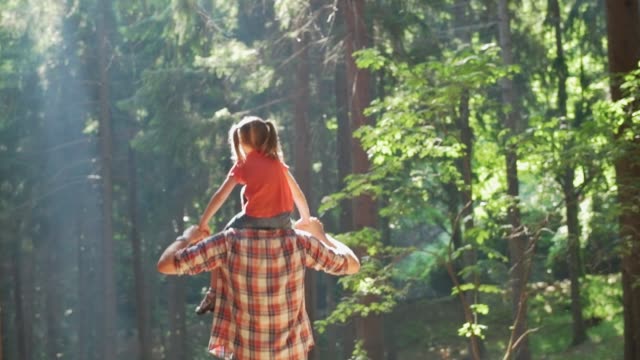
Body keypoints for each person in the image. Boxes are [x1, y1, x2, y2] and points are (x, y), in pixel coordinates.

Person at [157, 218, 360, 360]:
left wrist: (187, 237)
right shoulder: (299, 242)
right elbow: (352, 265)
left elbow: (166, 264)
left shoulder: (227, 242)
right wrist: (321, 235)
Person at [195, 115, 312, 315]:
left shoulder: (245, 164)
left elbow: (221, 195)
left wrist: (203, 223)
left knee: (220, 245)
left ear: (243, 143)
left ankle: (214, 293)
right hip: (283, 221)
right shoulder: (277, 163)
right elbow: (297, 193)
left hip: (255, 220)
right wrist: (305, 219)